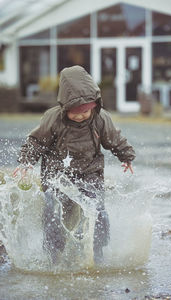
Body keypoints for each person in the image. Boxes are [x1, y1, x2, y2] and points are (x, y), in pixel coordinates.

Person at [13, 65, 135, 264]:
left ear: (94, 105)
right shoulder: (53, 118)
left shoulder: (100, 118)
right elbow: (36, 141)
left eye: (85, 111)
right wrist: (26, 161)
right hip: (57, 174)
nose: (80, 116)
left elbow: (114, 138)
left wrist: (126, 156)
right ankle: (53, 252)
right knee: (53, 209)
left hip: (90, 172)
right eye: (74, 112)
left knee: (97, 209)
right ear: (64, 106)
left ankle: (97, 250)